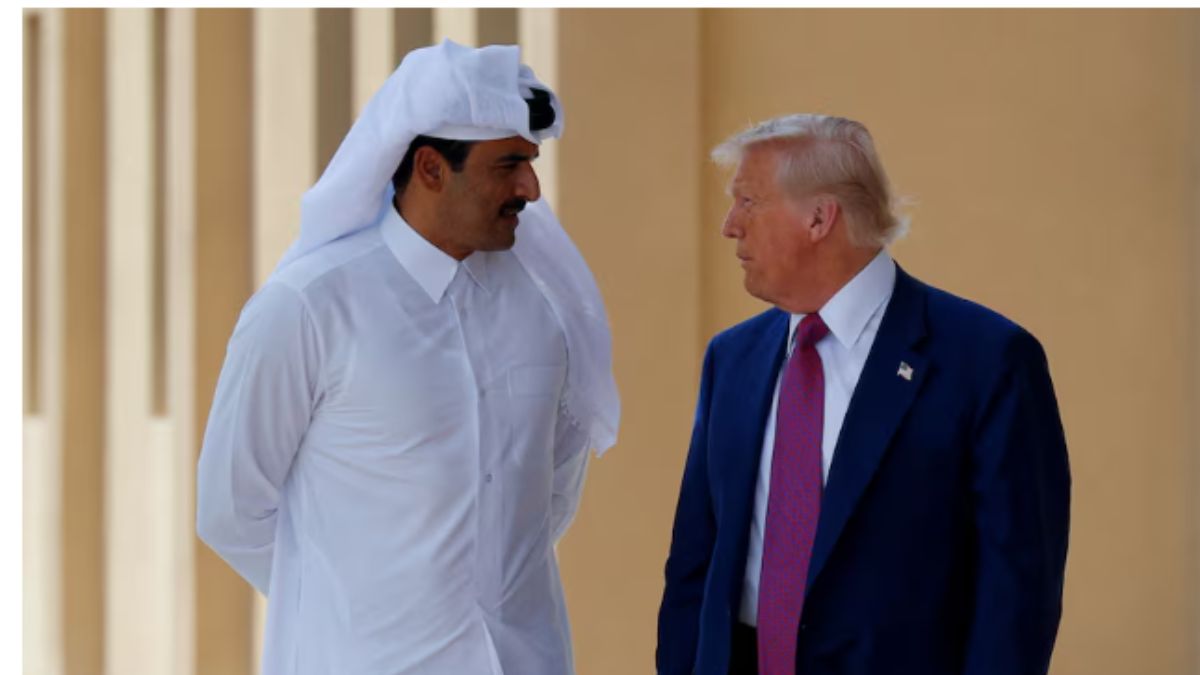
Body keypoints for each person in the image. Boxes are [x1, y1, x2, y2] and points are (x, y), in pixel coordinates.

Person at [196, 40, 619, 675]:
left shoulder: (544, 307)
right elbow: (231, 510)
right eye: (508, 164)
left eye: (530, 163)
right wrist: (357, 607)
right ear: (429, 167)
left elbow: (550, 492)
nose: (530, 187)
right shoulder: (310, 307)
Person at [656, 114, 1069, 675]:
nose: (730, 226)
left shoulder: (987, 360)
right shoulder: (731, 359)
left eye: (748, 202)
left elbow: (1018, 592)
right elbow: (693, 567)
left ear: (819, 218)